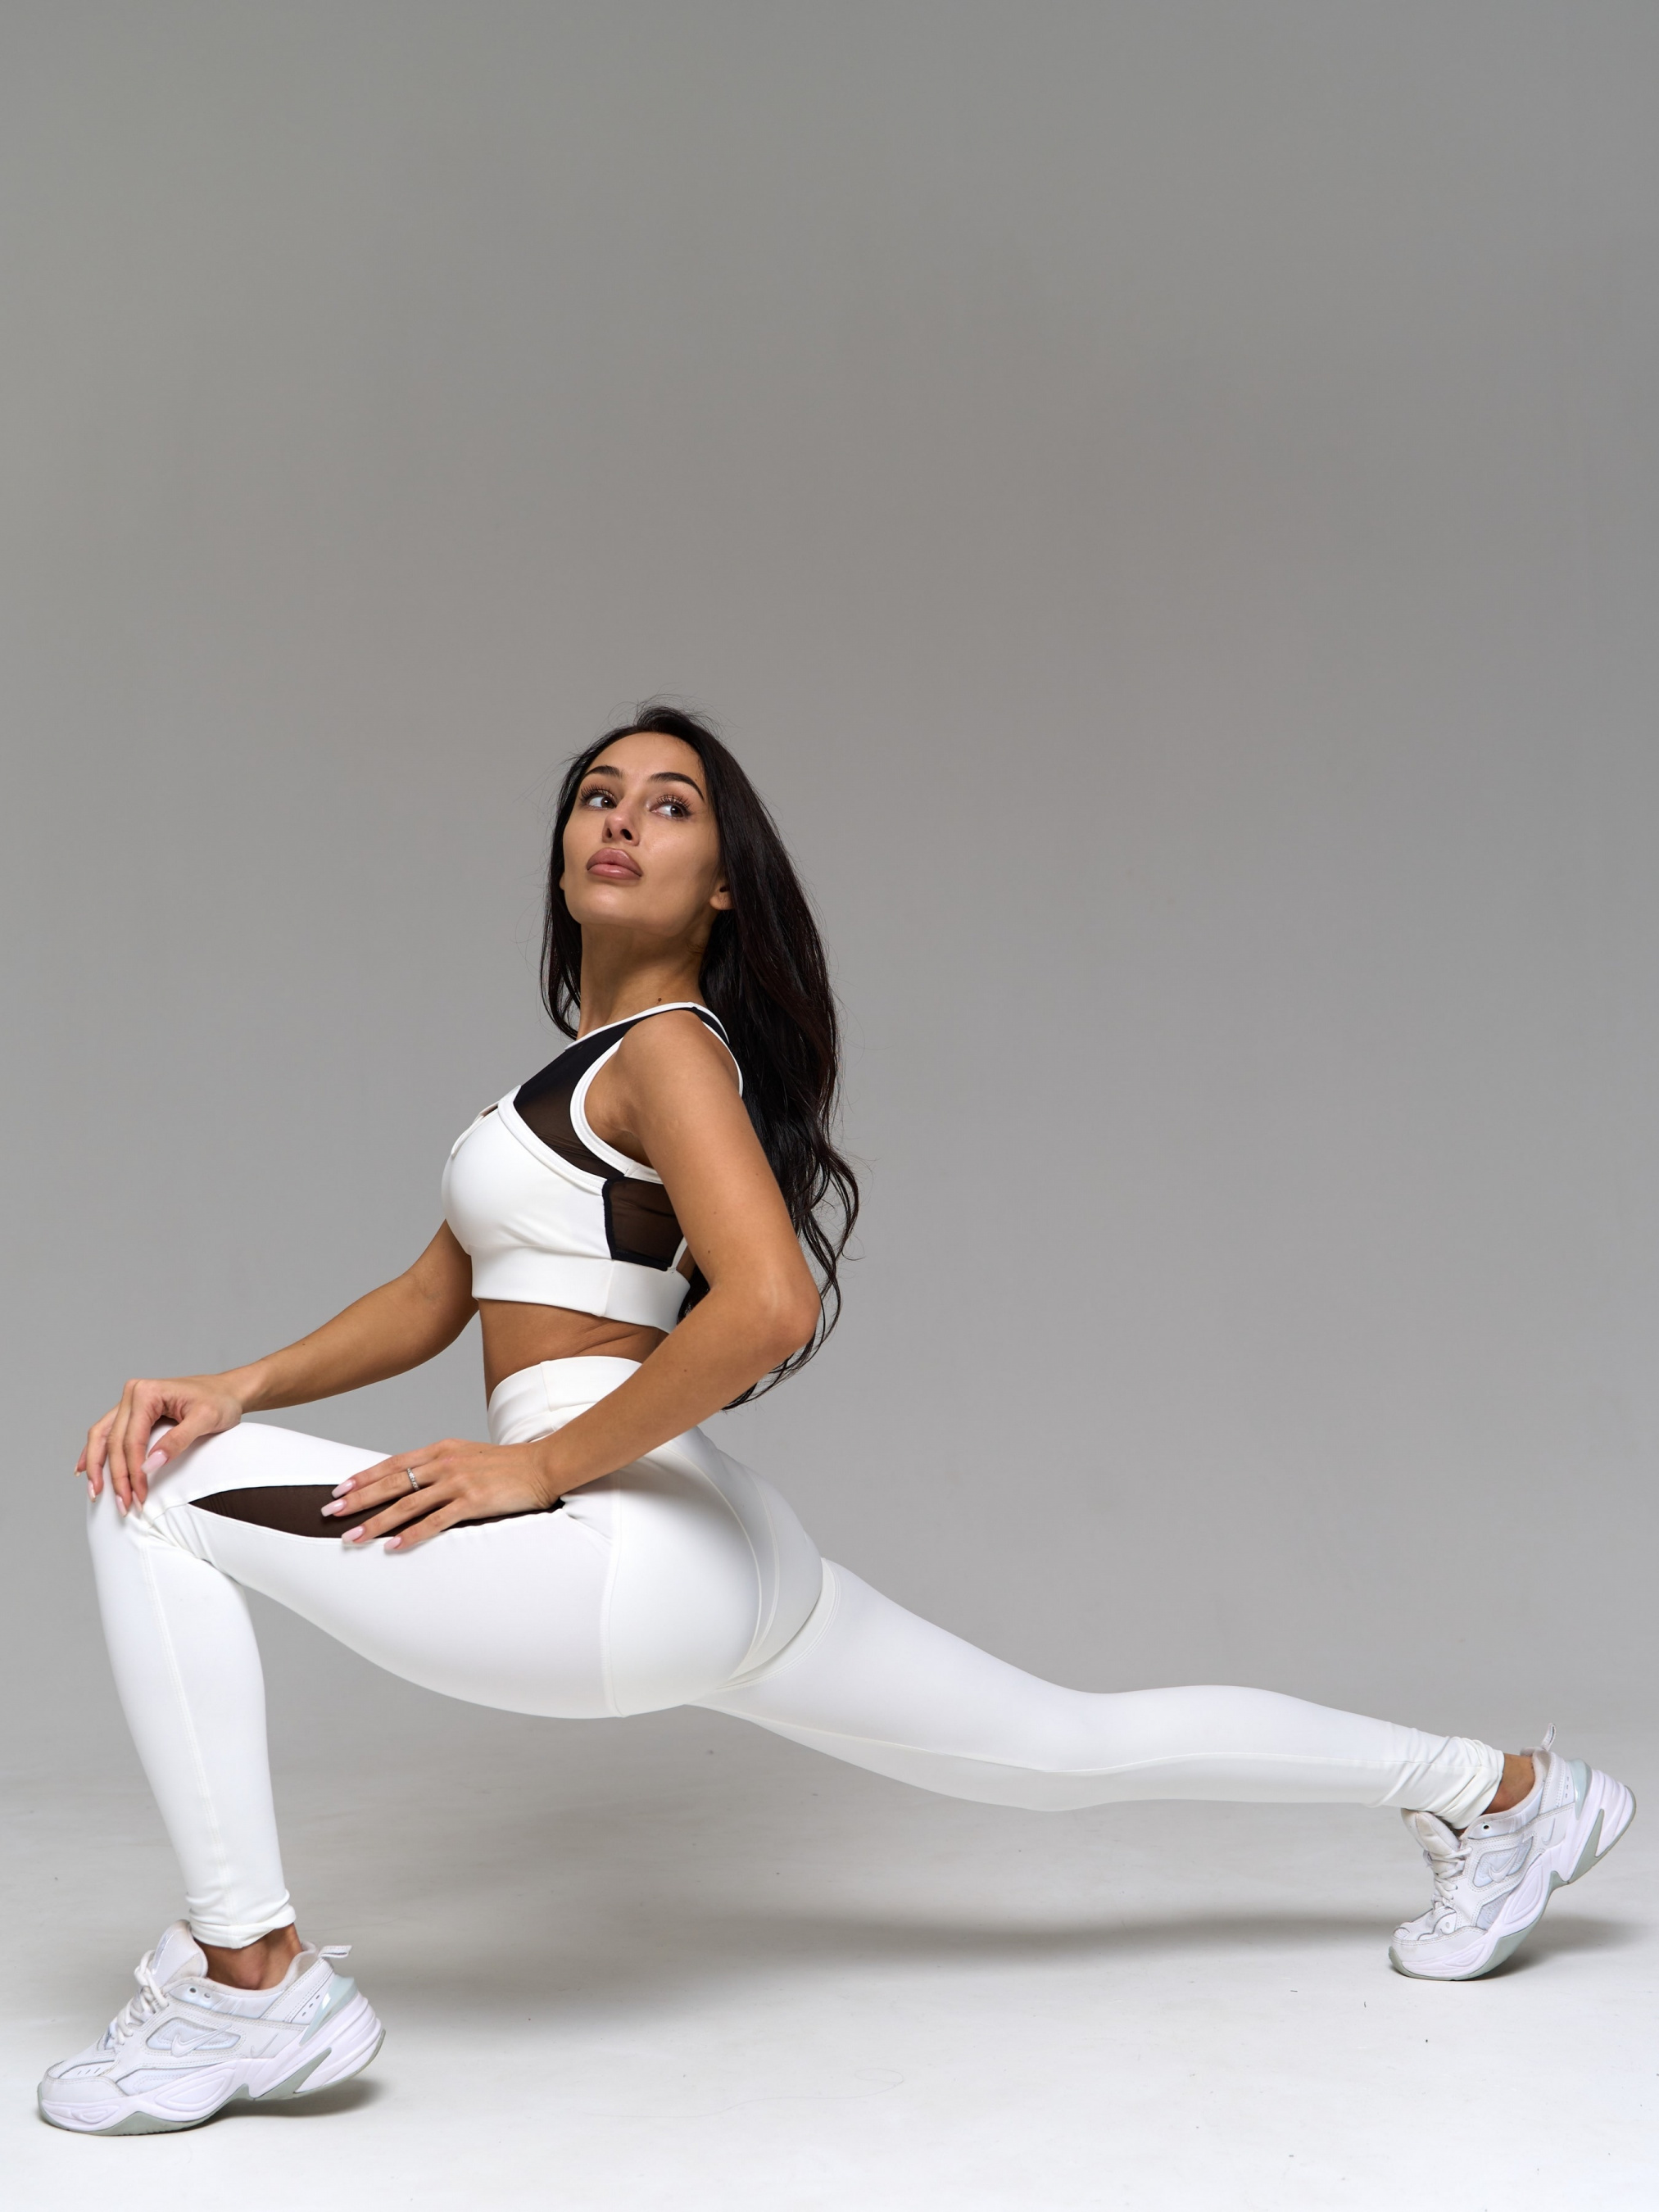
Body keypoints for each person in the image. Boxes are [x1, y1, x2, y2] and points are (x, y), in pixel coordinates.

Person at [43, 705, 1634, 2136]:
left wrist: (533, 1466)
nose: (619, 817)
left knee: (151, 1494)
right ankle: (1503, 1793)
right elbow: (432, 1293)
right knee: (1063, 1747)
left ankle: (250, 1981)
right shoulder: (584, 1073)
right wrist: (238, 1386)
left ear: (723, 886)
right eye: (597, 795)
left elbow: (766, 1306)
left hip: (614, 1537)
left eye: (669, 805)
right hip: (714, 1542)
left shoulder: (666, 1054)